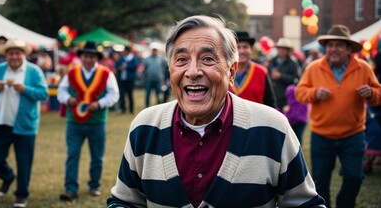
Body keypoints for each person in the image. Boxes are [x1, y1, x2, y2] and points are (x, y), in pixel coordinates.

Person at [107, 15, 325, 207]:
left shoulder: (272, 128)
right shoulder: (145, 126)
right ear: (170, 69)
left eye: (208, 59)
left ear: (231, 71)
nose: (192, 72)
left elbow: (305, 203)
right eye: (181, 60)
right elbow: (125, 201)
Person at [295, 24, 381, 208]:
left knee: (354, 178)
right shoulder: (314, 68)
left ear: (349, 49)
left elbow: (378, 94)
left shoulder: (364, 68)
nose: (333, 49)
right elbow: (300, 92)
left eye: (339, 45)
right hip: (321, 135)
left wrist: (371, 94)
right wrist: (315, 93)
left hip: (353, 135)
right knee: (320, 182)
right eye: (330, 45)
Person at [0, 39, 48, 208]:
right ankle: (8, 177)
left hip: (25, 125)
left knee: (24, 162)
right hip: (1, 122)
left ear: (23, 55)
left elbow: (43, 94)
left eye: (18, 53)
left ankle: (22, 194)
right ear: (6, 55)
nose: (14, 56)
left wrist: (25, 89)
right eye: (11, 53)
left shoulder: (34, 71)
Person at [57, 41, 119, 201]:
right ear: (81, 57)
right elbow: (61, 91)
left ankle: (94, 185)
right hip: (74, 122)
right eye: (85, 56)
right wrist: (68, 99)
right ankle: (70, 189)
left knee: (97, 156)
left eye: (91, 56)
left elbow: (114, 95)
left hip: (97, 121)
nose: (88, 59)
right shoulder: (71, 73)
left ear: (96, 58)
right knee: (72, 154)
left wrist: (99, 104)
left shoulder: (106, 73)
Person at [229, 31, 276, 108]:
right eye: (238, 47)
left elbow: (270, 102)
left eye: (245, 47)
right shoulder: (225, 72)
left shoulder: (261, 72)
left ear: (252, 50)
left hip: (256, 118)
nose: (241, 51)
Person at [267, 38, 301, 110]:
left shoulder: (293, 63)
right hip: (273, 97)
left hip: (287, 99)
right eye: (280, 48)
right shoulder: (272, 61)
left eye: (284, 48)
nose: (281, 50)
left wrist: (281, 76)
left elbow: (297, 79)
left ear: (288, 50)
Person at [115, 46, 140, 114]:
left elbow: (135, 66)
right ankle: (123, 109)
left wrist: (126, 66)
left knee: (130, 95)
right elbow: (116, 66)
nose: (124, 52)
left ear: (128, 51)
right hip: (122, 79)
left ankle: (131, 109)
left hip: (130, 80)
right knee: (122, 95)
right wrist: (119, 68)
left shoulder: (133, 58)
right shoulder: (121, 58)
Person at [142, 43, 167, 107]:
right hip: (148, 80)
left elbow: (164, 69)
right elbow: (144, 70)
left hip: (158, 80)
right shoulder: (147, 59)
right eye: (153, 50)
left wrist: (164, 79)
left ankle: (158, 107)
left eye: (155, 50)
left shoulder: (161, 59)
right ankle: (146, 107)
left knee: (158, 95)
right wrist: (144, 79)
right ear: (151, 51)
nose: (154, 51)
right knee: (147, 95)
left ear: (157, 51)